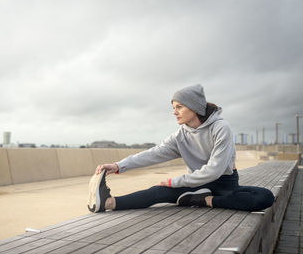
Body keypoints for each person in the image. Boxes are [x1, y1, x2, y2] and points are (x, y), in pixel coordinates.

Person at [87, 84, 274, 213]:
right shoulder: (180, 135)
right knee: (156, 192)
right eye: (173, 107)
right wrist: (119, 166)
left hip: (224, 183)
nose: (174, 112)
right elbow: (154, 153)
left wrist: (174, 182)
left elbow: (215, 170)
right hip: (196, 185)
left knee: (265, 197)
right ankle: (108, 203)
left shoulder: (220, 127)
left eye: (179, 107)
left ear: (194, 107)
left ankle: (208, 200)